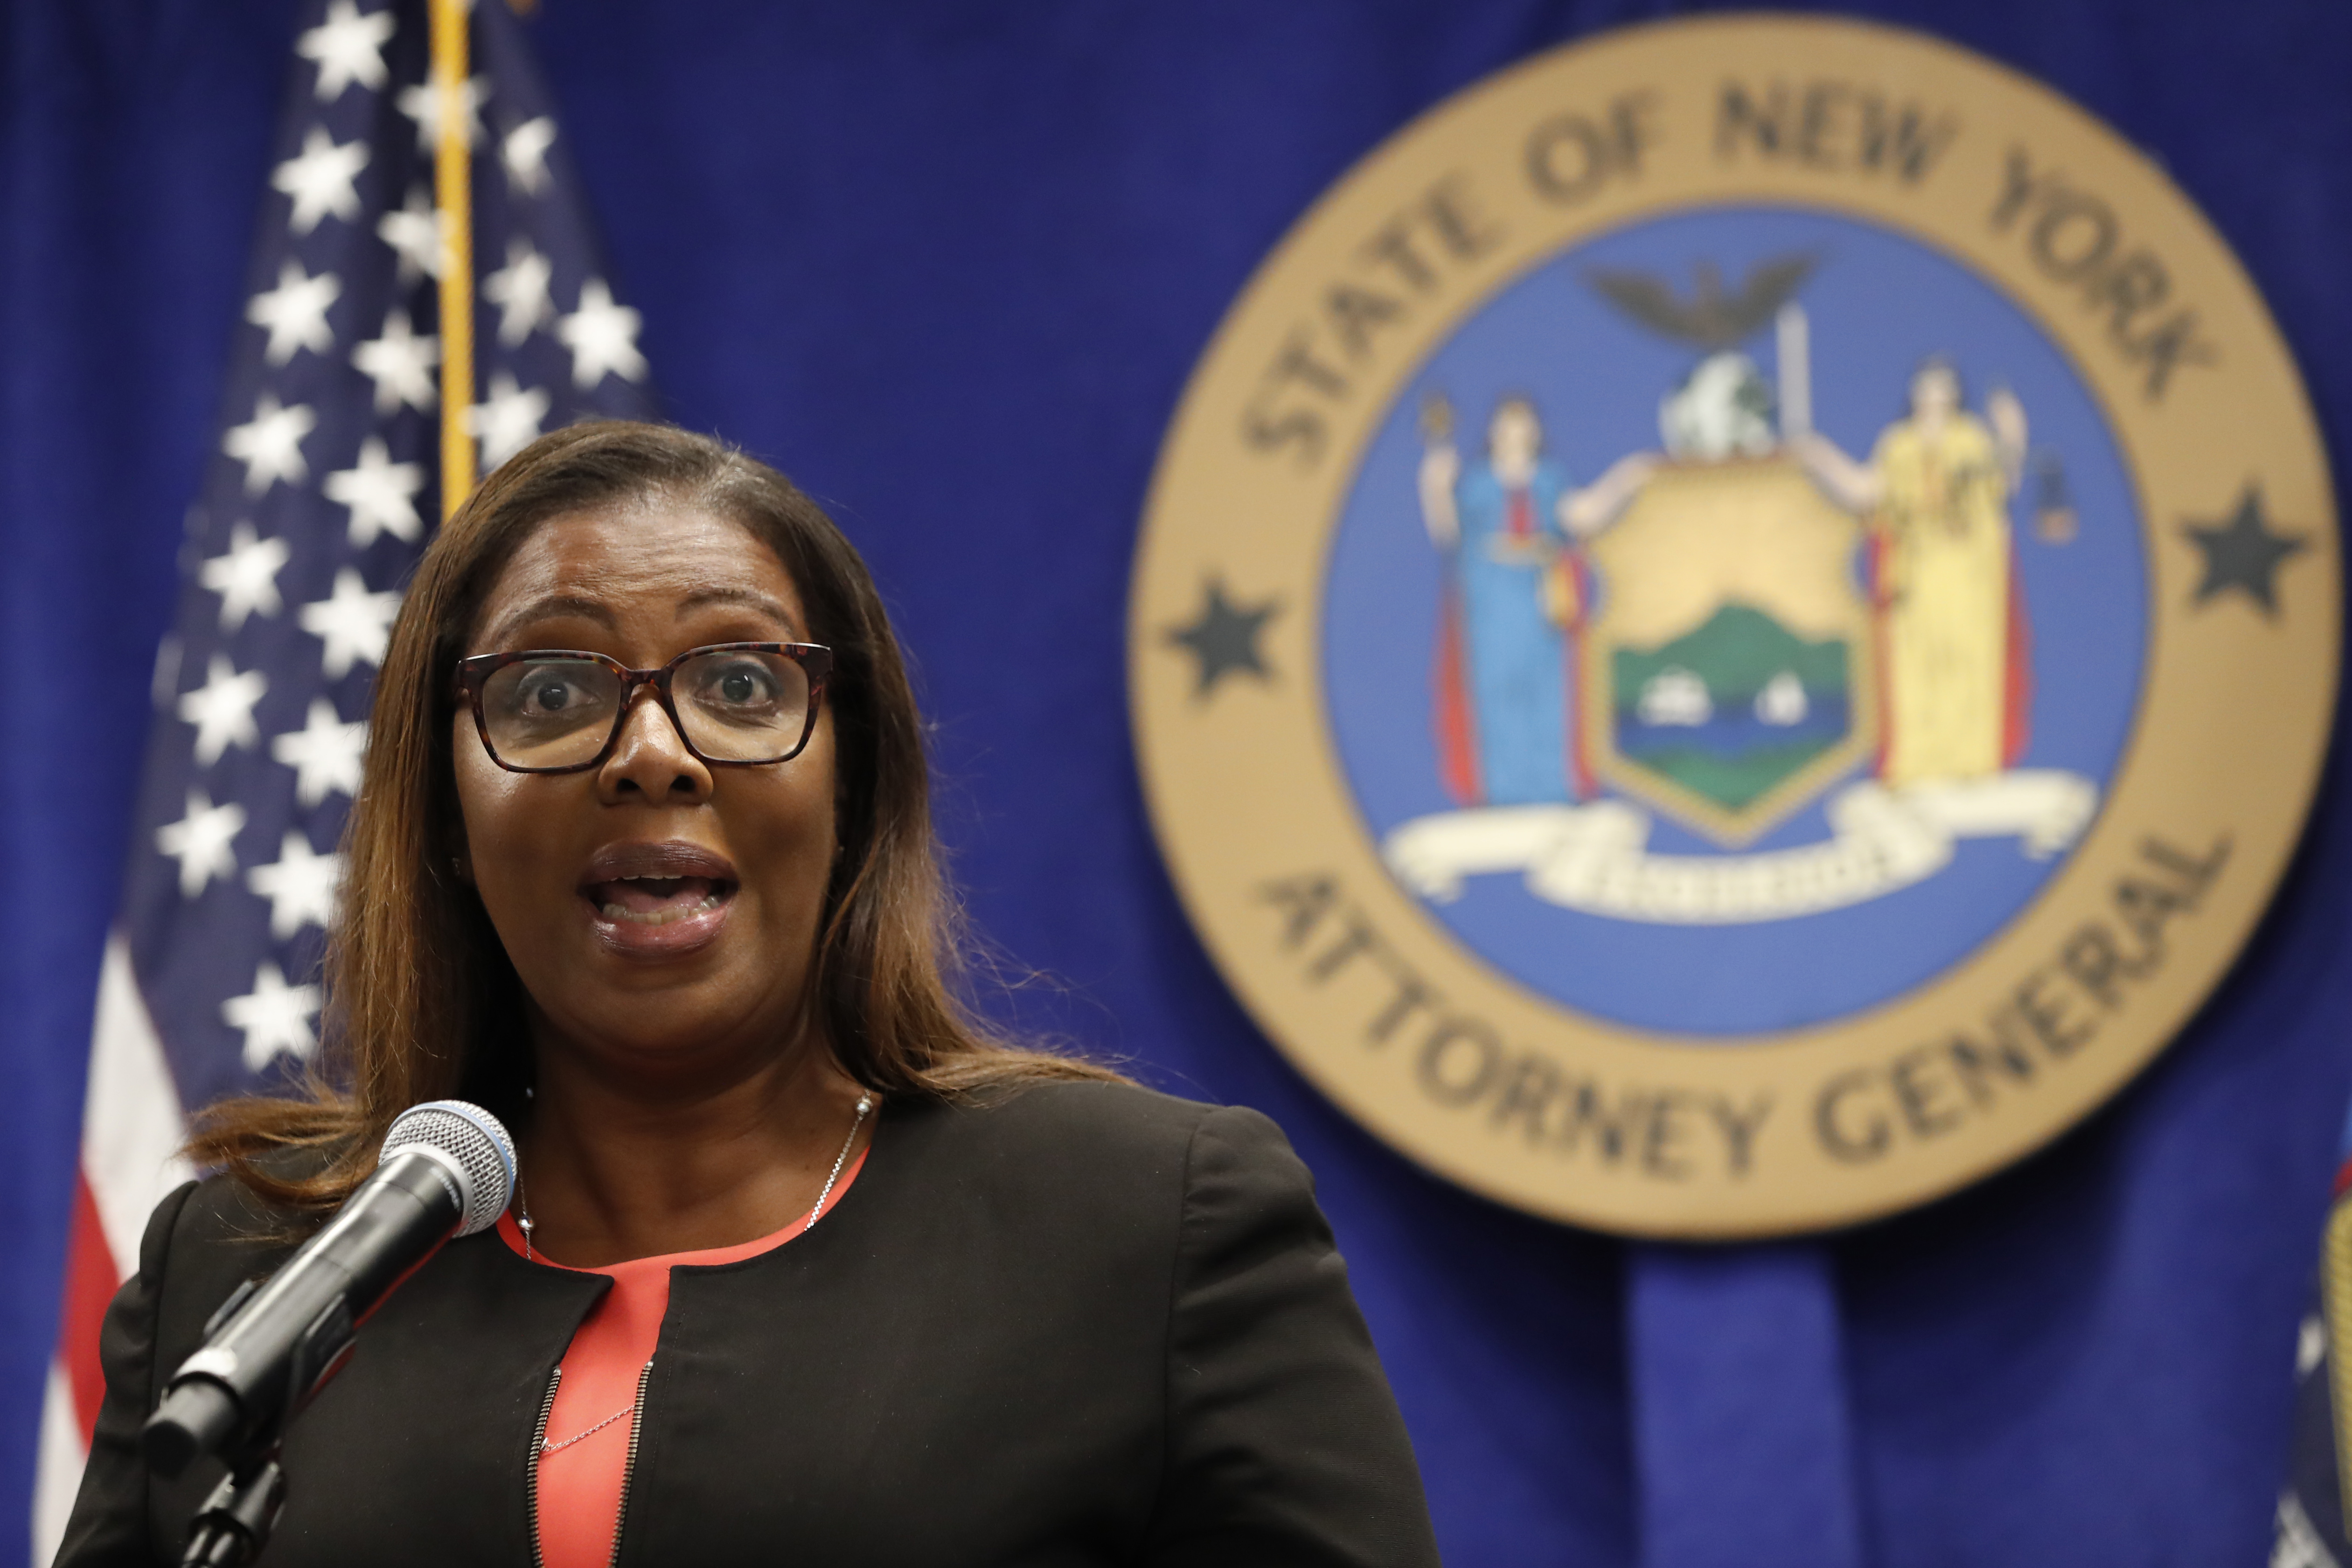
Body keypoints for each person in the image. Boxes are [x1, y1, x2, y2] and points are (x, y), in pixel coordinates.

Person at [57, 422, 1440, 1567]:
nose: (653, 753)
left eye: (736, 679)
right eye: (548, 688)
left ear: (853, 788)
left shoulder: (1141, 1228)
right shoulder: (247, 1271)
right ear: (443, 817)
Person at [1794, 357, 2031, 787]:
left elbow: (2002, 482)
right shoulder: (1899, 443)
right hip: (1915, 572)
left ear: (1955, 394)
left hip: (1967, 572)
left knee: (1968, 657)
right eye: (1927, 387)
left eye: (1943, 387)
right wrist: (1819, 457)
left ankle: (1969, 759)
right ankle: (1919, 758)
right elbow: (1866, 492)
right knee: (1916, 662)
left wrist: (2013, 431)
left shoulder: (1971, 439)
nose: (1934, 396)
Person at [1417, 394, 1652, 808]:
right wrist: (1435, 486)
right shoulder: (1476, 481)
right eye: (1508, 425)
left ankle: (1551, 786)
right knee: (1497, 690)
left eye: (1523, 425)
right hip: (1490, 599)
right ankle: (1504, 789)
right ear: (1494, 432)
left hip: (1541, 598)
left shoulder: (1549, 479)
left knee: (1549, 692)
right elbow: (1448, 533)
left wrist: (1625, 479)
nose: (1516, 434)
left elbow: (1580, 515)